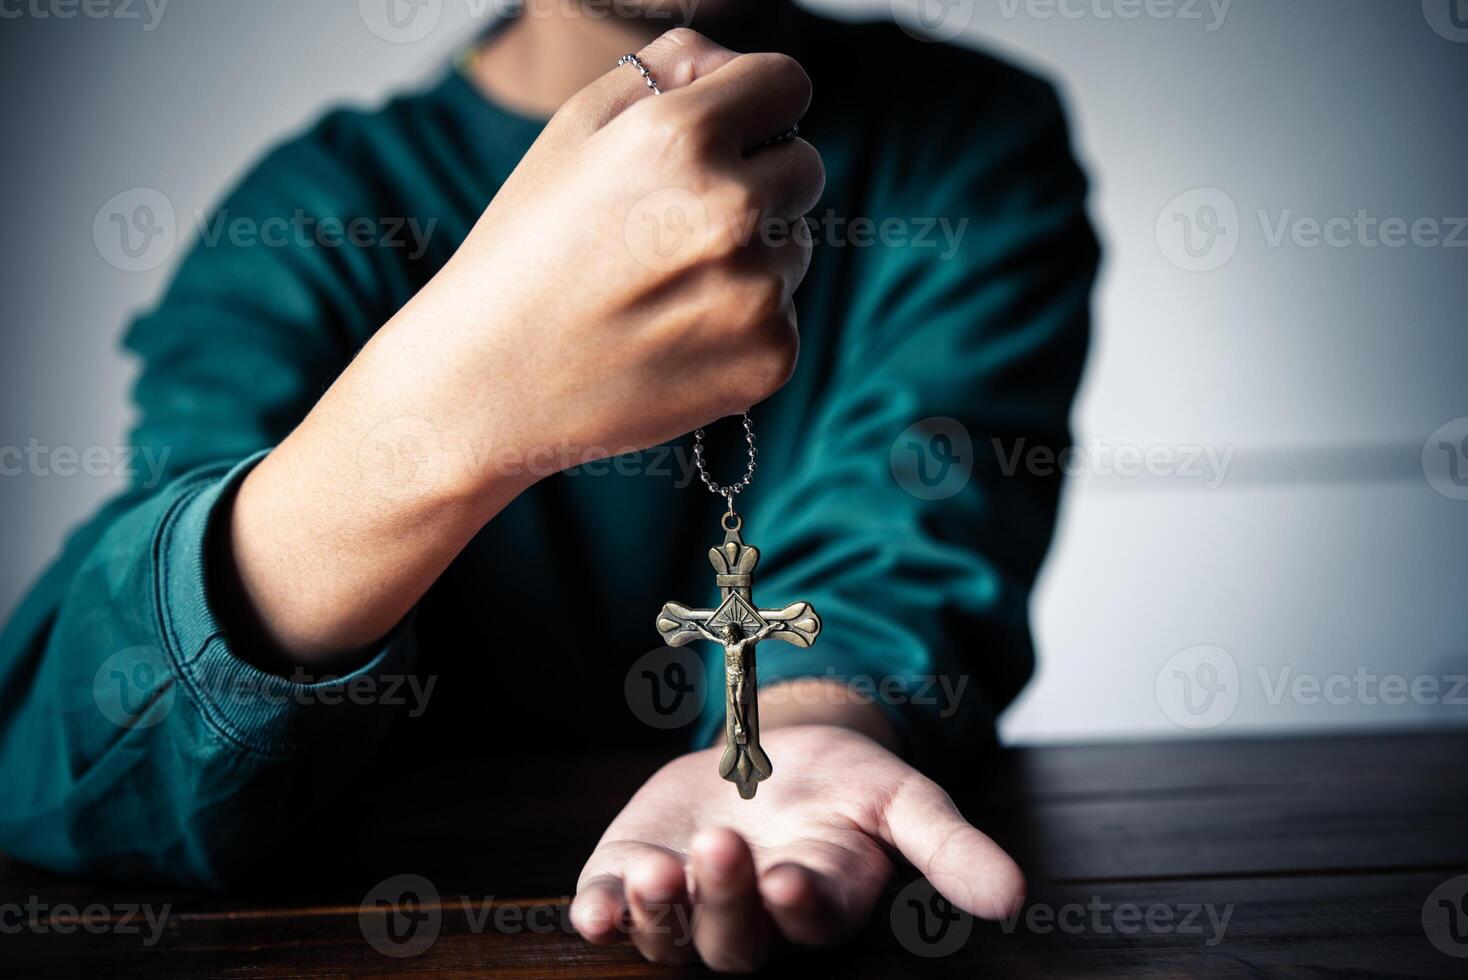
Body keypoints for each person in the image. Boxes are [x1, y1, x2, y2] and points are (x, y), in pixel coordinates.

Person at [0, 0, 1097, 970]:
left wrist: (808, 721)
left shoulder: (965, 146)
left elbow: (912, 525)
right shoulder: (307, 217)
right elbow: (73, 746)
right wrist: (452, 405)